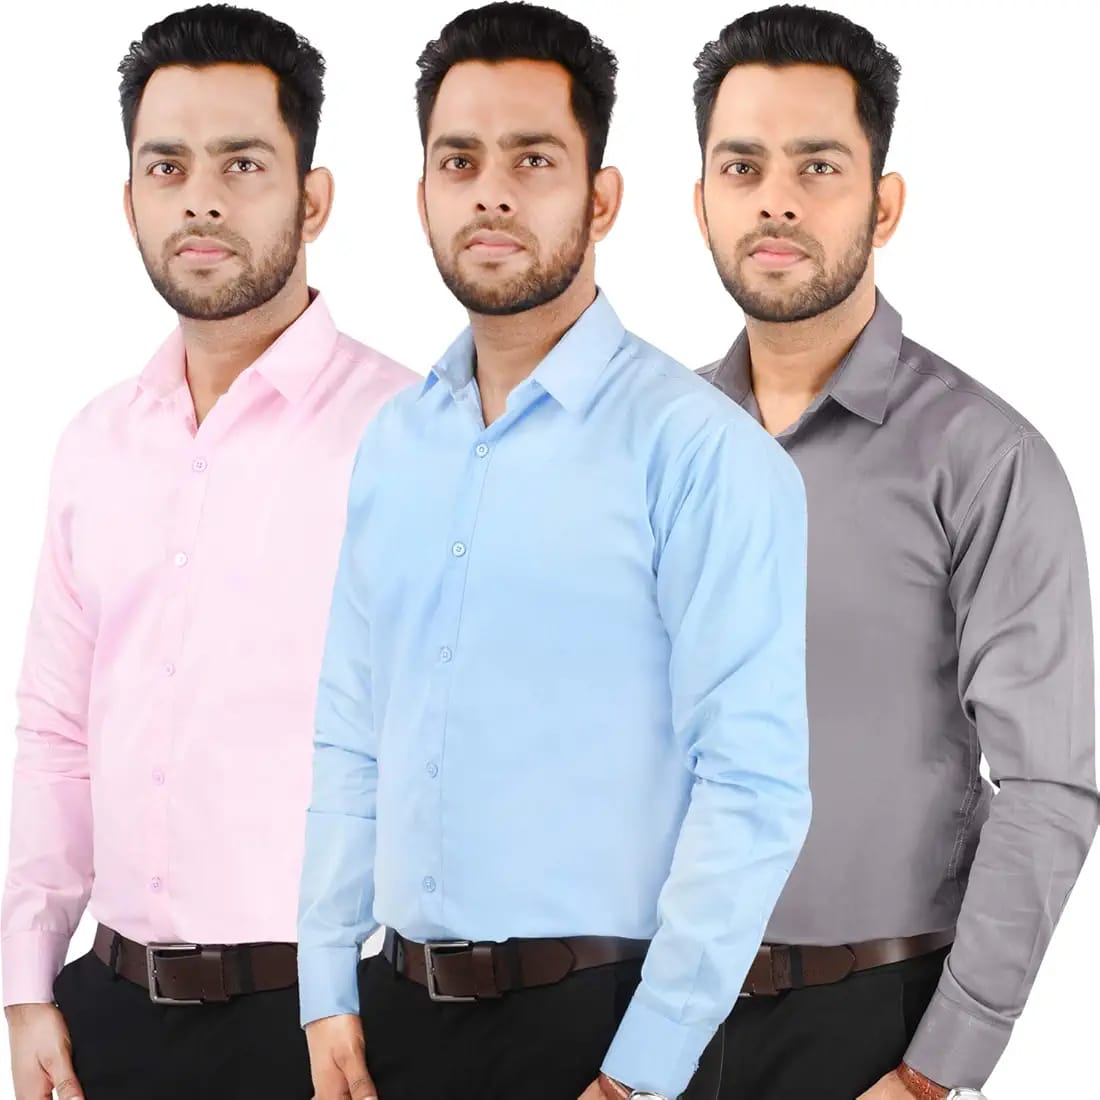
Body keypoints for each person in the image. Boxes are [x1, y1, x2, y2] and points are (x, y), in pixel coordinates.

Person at [296, 4, 811, 1100]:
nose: (490, 192)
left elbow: (752, 785)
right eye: (459, 161)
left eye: (532, 159)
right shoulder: (394, 443)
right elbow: (350, 732)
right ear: (423, 196)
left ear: (602, 198)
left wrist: (644, 1067)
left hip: (601, 1027)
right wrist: (326, 982)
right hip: (392, 1018)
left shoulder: (700, 452)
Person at [1, 6, 414, 1099]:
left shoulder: (410, 435)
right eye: (167, 167)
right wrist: (27, 982)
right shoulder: (96, 441)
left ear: (312, 199)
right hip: (105, 1019)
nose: (201, 200)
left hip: (329, 1030)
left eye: (242, 163)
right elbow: (54, 728)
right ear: (129, 199)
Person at [691, 7, 1098, 1100]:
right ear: (702, 202)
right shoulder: (648, 446)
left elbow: (1049, 784)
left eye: (817, 166)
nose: (775, 199)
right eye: (742, 167)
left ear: (883, 204)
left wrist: (932, 1067)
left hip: (867, 1026)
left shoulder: (985, 459)